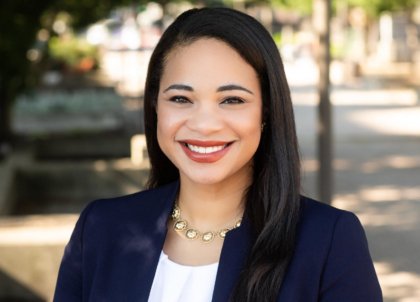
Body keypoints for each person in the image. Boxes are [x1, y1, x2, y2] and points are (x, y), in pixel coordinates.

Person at [53, 7, 382, 302]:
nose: (205, 125)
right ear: (155, 106)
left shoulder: (330, 240)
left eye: (232, 100)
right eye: (181, 99)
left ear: (266, 111)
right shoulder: (100, 228)